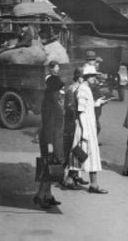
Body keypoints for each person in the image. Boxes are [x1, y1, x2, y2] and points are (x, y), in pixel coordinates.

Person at [69, 65, 108, 194]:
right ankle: (93, 184)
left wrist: (97, 103)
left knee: (81, 155)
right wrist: (85, 131)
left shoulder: (86, 89)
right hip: (85, 127)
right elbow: (80, 111)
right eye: (92, 76)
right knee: (86, 154)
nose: (94, 79)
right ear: (86, 77)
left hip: (87, 126)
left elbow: (87, 107)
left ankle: (71, 179)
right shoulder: (83, 90)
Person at [34, 74, 65, 209]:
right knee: (48, 168)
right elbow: (47, 125)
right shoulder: (48, 102)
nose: (59, 91)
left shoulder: (53, 99)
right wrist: (50, 145)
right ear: (53, 89)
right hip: (50, 140)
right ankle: (41, 196)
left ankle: (48, 195)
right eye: (57, 89)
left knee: (52, 167)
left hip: (55, 138)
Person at [61, 67, 88, 189]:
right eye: (84, 78)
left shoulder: (78, 88)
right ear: (79, 78)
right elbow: (71, 109)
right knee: (69, 151)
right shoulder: (71, 90)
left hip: (76, 124)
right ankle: (65, 178)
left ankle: (75, 176)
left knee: (76, 150)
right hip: (71, 125)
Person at [82, 50, 104, 137]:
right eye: (92, 60)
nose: (94, 62)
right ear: (88, 61)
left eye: (94, 60)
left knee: (96, 119)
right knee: (95, 122)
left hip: (96, 99)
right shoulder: (87, 69)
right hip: (92, 100)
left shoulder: (92, 68)